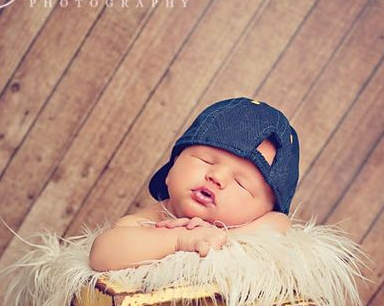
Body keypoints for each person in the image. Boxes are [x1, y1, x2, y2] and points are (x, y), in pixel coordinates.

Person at [90, 97, 300, 271]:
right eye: (205, 160)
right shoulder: (156, 219)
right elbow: (103, 253)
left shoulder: (251, 225)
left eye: (241, 182)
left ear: (263, 210)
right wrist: (180, 240)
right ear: (171, 170)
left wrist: (223, 237)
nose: (217, 176)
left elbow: (280, 224)